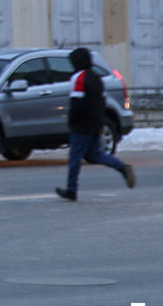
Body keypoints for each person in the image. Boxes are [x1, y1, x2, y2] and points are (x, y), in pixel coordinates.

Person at [57, 46, 136, 200]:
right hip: (95, 123)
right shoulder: (97, 78)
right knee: (95, 155)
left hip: (81, 124)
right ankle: (122, 167)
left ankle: (71, 190)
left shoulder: (78, 78)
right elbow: (101, 102)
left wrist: (72, 122)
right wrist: (100, 124)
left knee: (75, 157)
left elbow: (76, 102)